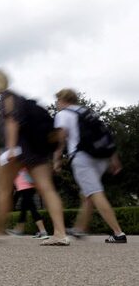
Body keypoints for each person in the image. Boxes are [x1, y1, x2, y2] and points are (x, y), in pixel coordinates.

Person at [0, 69, 69, 246]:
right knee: (47, 189)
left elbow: (12, 121)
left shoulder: (7, 97)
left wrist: (9, 149)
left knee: (3, 190)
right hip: (36, 151)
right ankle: (60, 233)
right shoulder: (20, 99)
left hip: (18, 150)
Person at [54, 88, 127, 244]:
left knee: (94, 192)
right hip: (101, 157)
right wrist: (113, 158)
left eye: (57, 100)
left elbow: (60, 139)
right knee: (87, 194)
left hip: (82, 157)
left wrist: (57, 159)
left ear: (62, 100)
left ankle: (118, 233)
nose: (56, 104)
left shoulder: (63, 114)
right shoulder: (87, 112)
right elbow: (105, 134)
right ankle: (79, 228)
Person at [6, 170, 49, 239]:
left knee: (32, 208)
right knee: (24, 208)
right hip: (24, 185)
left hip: (26, 185)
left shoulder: (18, 160)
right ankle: (20, 229)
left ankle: (43, 231)